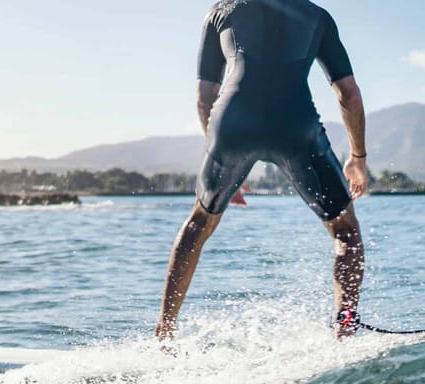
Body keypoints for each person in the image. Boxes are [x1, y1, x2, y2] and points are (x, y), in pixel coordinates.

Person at [156, 0, 368, 340]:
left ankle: (164, 334)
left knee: (199, 222)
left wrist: (221, 157)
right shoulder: (317, 16)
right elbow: (348, 94)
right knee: (345, 231)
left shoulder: (220, 12)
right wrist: (357, 156)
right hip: (295, 123)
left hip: (232, 123)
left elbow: (204, 95)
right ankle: (345, 329)